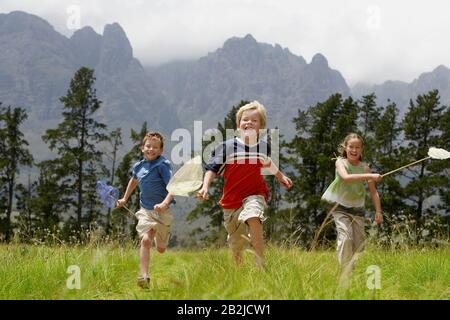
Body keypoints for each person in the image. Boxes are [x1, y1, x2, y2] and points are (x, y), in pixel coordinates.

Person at [197, 101, 293, 268]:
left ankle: (260, 264)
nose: (248, 122)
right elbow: (212, 169)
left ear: (261, 127)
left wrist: (280, 176)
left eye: (254, 121)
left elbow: (267, 162)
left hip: (255, 194)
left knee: (253, 216)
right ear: (238, 124)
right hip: (231, 201)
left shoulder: (263, 147)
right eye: (245, 119)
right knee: (236, 244)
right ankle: (240, 271)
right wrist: (205, 186)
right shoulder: (226, 147)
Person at [321, 133, 383, 280]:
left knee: (359, 245)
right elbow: (347, 178)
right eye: (351, 147)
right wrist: (371, 176)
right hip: (340, 207)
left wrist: (378, 211)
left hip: (357, 209)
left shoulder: (365, 167)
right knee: (346, 237)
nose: (354, 150)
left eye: (357, 147)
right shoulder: (340, 162)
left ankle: (352, 271)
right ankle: (344, 275)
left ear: (361, 149)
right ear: (345, 147)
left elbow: (374, 193)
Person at [117, 131, 174, 288]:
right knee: (146, 240)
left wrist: (164, 203)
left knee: (161, 249)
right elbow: (134, 181)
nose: (151, 149)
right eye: (148, 146)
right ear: (142, 148)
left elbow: (172, 187)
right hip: (146, 210)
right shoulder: (139, 166)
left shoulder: (163, 165)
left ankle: (163, 236)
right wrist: (124, 198)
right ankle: (144, 276)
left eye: (155, 147)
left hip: (162, 212)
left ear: (161, 150)